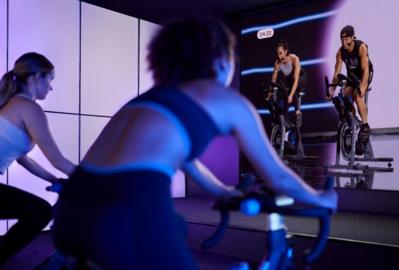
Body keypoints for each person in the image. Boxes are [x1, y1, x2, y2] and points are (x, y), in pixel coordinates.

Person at [53, 17, 337, 270]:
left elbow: (189, 163)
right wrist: (321, 199)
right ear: (221, 60)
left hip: (70, 210)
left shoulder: (148, 99)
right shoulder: (227, 101)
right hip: (125, 211)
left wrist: (224, 191)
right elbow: (277, 177)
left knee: (175, 227)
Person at [0, 52, 76, 266]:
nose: (51, 88)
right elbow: (58, 159)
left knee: (37, 211)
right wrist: (92, 179)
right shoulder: (29, 108)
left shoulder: (14, 105)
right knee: (40, 212)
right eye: (50, 80)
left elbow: (24, 159)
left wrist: (53, 180)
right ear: (36, 78)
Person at [326, 25, 373, 147]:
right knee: (345, 97)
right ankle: (352, 119)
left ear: (352, 38)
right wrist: (331, 90)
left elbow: (366, 69)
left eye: (346, 39)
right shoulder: (340, 52)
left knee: (357, 96)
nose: (344, 42)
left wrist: (363, 86)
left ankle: (365, 125)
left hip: (365, 74)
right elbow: (337, 73)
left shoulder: (361, 47)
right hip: (351, 76)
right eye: (342, 39)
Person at [270, 39, 307, 126]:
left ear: (286, 51)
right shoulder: (278, 63)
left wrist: (290, 95)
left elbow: (296, 80)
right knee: (283, 90)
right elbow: (274, 78)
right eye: (278, 53)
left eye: (281, 53)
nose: (279, 56)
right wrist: (269, 93)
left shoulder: (294, 58)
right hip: (290, 80)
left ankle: (298, 112)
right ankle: (285, 119)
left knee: (289, 89)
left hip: (301, 78)